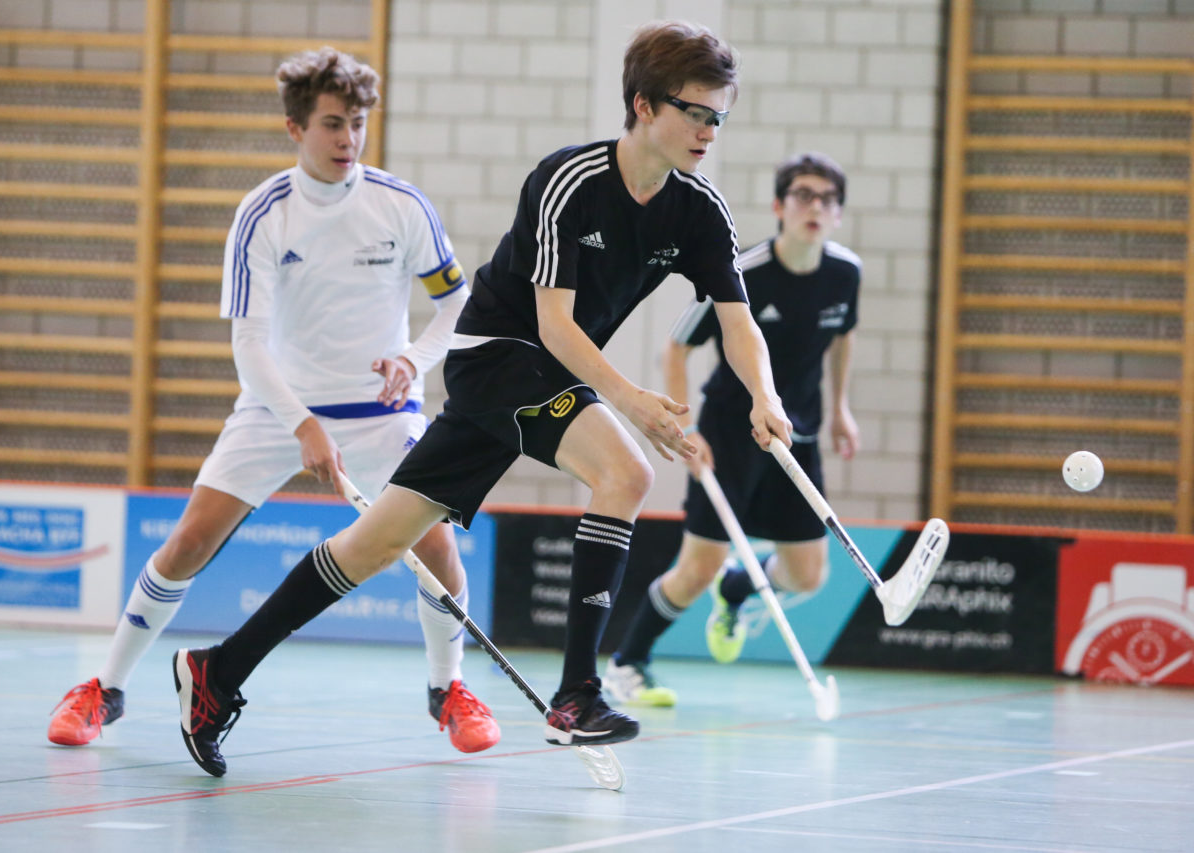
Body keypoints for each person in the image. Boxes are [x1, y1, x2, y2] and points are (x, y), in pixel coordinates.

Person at [171, 20, 793, 778]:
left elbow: (738, 324)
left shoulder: (701, 211)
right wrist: (631, 400)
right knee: (625, 473)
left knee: (373, 541)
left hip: (543, 373)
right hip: (497, 353)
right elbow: (553, 326)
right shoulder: (571, 181)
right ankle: (578, 694)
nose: (707, 130)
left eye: (718, 117)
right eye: (694, 112)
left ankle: (218, 671)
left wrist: (764, 395)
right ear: (642, 105)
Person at [47, 47, 500, 759]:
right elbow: (249, 344)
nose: (348, 139)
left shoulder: (401, 205)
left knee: (437, 545)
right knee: (189, 541)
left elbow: (458, 306)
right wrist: (302, 424)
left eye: (356, 123)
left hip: (383, 415)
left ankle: (449, 690)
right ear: (296, 129)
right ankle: (104, 687)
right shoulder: (263, 215)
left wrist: (414, 357)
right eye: (332, 125)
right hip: (277, 407)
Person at [604, 152, 860, 707]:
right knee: (698, 567)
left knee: (808, 575)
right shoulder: (744, 273)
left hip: (798, 435)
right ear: (779, 207)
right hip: (728, 433)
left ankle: (741, 588)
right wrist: (686, 428)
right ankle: (628, 663)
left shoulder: (846, 273)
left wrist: (840, 409)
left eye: (827, 199)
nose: (815, 207)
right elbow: (677, 345)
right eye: (803, 195)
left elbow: (842, 340)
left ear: (838, 214)